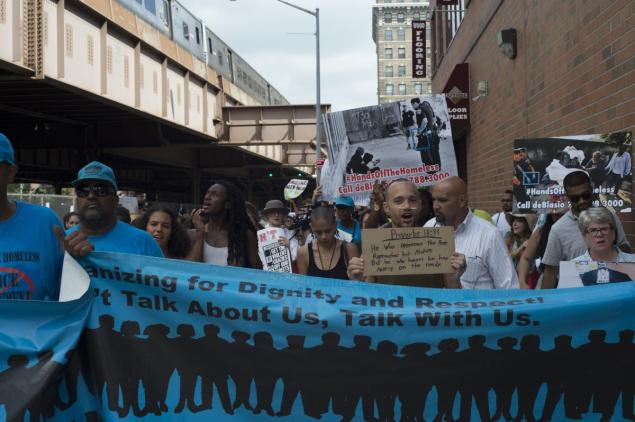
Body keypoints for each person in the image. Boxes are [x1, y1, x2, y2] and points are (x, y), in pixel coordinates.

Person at [347, 179, 466, 288]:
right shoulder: (375, 246)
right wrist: (358, 280)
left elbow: (454, 296)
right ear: (386, 208)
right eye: (398, 201)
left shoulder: (438, 243)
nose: (407, 206)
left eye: (412, 200)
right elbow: (368, 296)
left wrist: (454, 279)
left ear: (419, 205)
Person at [424, 176, 519, 289]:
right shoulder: (428, 228)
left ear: (462, 201)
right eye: (433, 200)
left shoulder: (489, 234)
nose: (435, 206)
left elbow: (509, 288)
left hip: (476, 305)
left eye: (442, 200)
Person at [0, 133, 64, 300]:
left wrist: (82, 259)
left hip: (40, 326)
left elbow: (71, 290)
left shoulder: (45, 223)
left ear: (11, 172)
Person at [541, 170, 630, 289]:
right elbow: (550, 272)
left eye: (585, 195)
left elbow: (624, 248)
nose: (582, 201)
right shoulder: (558, 229)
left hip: (613, 290)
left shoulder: (609, 216)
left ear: (592, 189)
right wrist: (548, 304)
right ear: (567, 197)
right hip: (577, 295)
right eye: (575, 198)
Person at [59, 161, 164, 258]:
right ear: (77, 199)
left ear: (115, 199)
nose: (91, 196)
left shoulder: (143, 242)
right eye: (83, 190)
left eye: (100, 189)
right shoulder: (63, 242)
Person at [189, 180, 261, 268]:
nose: (207, 197)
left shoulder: (244, 236)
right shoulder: (193, 234)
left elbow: (258, 273)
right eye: (207, 193)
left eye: (214, 194)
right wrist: (200, 234)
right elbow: (187, 269)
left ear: (228, 204)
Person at [297, 206, 360, 280]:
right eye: (319, 232)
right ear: (312, 228)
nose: (324, 237)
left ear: (335, 225)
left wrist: (356, 278)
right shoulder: (304, 253)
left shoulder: (349, 249)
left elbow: (359, 284)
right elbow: (304, 286)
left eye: (328, 231)